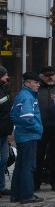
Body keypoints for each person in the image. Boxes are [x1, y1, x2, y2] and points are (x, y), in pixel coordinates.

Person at [10, 71, 43, 204]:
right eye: (35, 82)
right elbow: (27, 118)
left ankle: (16, 194)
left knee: (21, 166)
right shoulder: (27, 97)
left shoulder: (22, 95)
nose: (38, 85)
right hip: (29, 135)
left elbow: (13, 114)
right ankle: (26, 195)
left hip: (22, 135)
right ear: (27, 83)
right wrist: (38, 128)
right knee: (28, 166)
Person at [34, 66, 55, 191]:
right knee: (38, 155)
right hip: (41, 126)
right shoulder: (36, 88)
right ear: (42, 77)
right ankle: (36, 181)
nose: (51, 77)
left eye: (52, 75)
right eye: (48, 75)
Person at [0, 66, 12, 196]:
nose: (7, 77)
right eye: (5, 75)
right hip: (1, 130)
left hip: (3, 132)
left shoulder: (4, 89)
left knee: (4, 159)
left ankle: (1, 186)